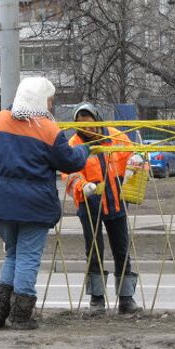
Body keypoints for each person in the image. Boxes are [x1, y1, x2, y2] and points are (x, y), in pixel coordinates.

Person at [0, 77, 90, 329]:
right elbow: (70, 161)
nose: (51, 106)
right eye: (50, 100)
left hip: (0, 207)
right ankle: (20, 315)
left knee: (13, 254)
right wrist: (85, 150)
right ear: (40, 101)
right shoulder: (48, 129)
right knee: (27, 256)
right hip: (34, 208)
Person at [61, 102, 143, 314]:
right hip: (90, 204)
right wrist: (82, 185)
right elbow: (68, 172)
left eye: (89, 124)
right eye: (81, 125)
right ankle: (97, 300)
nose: (86, 129)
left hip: (116, 201)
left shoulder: (115, 136)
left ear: (97, 120)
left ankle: (126, 298)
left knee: (122, 249)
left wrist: (137, 160)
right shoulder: (73, 144)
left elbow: (132, 158)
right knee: (94, 251)